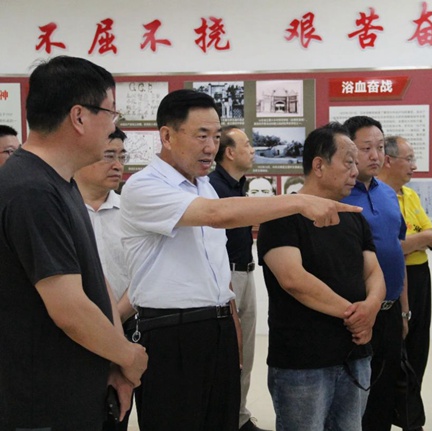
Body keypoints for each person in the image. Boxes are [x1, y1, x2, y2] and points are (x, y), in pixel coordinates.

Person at [119, 89, 361, 430]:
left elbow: (217, 267)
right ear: (167, 136)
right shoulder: (144, 186)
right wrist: (299, 201)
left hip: (217, 328)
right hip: (170, 333)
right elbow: (216, 215)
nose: (210, 147)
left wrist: (231, 323)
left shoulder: (204, 186)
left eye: (216, 136)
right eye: (201, 135)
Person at [0, 55, 147, 430]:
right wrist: (128, 355)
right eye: (110, 113)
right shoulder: (31, 191)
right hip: (42, 404)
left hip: (80, 392)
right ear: (79, 117)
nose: (114, 126)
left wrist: (113, 359)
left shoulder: (61, 182)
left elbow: (94, 279)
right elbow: (68, 308)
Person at [257, 122, 386, 431]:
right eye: (348, 162)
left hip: (354, 354)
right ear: (319, 165)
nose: (355, 171)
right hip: (303, 361)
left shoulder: (353, 217)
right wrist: (354, 314)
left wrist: (370, 309)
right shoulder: (280, 215)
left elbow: (374, 271)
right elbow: (293, 279)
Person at [341, 115, 408, 431]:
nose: (375, 155)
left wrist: (404, 311)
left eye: (380, 147)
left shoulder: (388, 193)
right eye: (366, 148)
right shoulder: (339, 195)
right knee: (354, 397)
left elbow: (397, 251)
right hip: (356, 312)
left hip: (390, 311)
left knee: (384, 394)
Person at [73, 125, 137, 431]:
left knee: (115, 415)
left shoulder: (131, 213)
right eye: (109, 155)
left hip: (127, 327)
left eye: (122, 156)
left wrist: (116, 319)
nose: (117, 165)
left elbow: (143, 273)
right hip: (73, 329)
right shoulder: (62, 210)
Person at [208, 126, 270, 431]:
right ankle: (224, 417)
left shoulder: (239, 185)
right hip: (225, 276)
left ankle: (239, 416)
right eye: (247, 145)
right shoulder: (212, 187)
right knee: (228, 353)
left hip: (246, 271)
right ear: (230, 152)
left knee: (246, 351)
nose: (252, 150)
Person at [378, 135, 432, 431]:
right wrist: (419, 240)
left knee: (418, 347)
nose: (414, 165)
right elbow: (393, 248)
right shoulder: (377, 196)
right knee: (394, 351)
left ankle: (410, 412)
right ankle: (393, 414)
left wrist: (415, 241)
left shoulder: (410, 195)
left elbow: (431, 236)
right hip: (394, 279)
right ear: (388, 161)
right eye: (409, 159)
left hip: (420, 276)